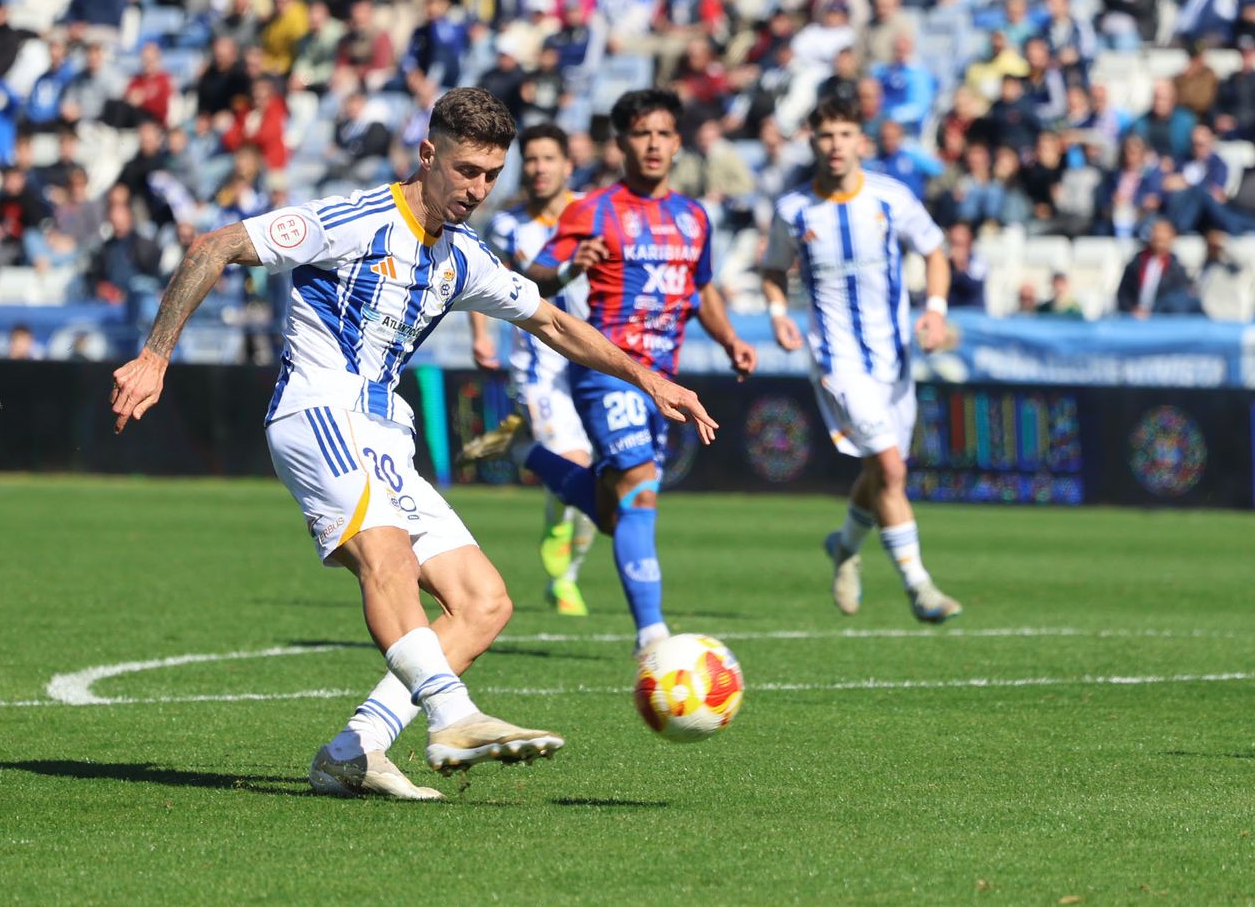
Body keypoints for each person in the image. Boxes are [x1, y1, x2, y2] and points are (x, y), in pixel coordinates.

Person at [108, 88, 719, 801]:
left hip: (385, 434)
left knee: (484, 601)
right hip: (318, 412)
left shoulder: (462, 256)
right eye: (466, 170)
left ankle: (354, 748)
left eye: (491, 176)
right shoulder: (355, 219)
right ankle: (453, 714)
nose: (478, 189)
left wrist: (649, 378)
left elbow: (552, 322)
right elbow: (215, 245)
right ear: (428, 155)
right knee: (387, 551)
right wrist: (155, 354)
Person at [460, 89, 758, 654]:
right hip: (610, 372)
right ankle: (654, 638)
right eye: (641, 133)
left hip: (664, 381)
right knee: (641, 492)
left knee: (612, 510)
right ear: (621, 143)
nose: (653, 144)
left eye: (663, 133)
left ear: (677, 143)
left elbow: (700, 292)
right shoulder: (592, 209)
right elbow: (535, 281)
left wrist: (731, 339)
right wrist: (573, 265)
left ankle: (524, 452)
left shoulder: (693, 216)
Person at [760, 96, 962, 624]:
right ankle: (920, 587)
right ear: (813, 142)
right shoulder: (794, 209)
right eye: (826, 136)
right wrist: (779, 312)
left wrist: (936, 312)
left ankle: (845, 546)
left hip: (894, 356)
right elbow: (773, 268)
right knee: (891, 466)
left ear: (861, 142)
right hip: (836, 359)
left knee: (882, 470)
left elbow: (935, 251)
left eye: (845, 134)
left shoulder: (893, 198)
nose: (835, 146)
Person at [467, 123, 597, 617]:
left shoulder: (593, 214)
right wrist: (482, 335)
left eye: (549, 159)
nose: (540, 168)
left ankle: (565, 575)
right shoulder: (508, 225)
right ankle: (562, 571)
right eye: (533, 160)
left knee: (597, 477)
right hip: (538, 362)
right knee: (576, 464)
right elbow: (484, 281)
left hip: (592, 362)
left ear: (568, 164)